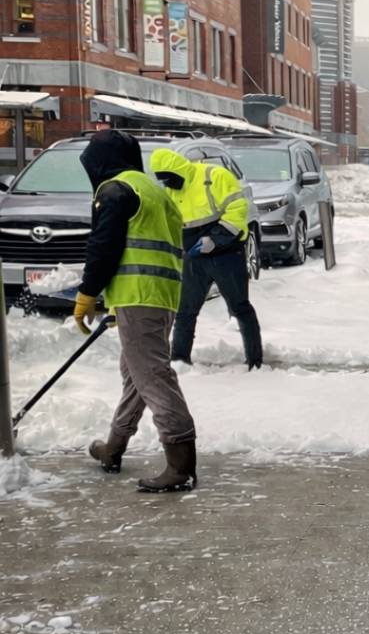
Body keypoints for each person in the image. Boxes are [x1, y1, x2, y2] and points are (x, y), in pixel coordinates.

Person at [73, 128, 198, 491]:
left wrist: (87, 293)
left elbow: (104, 245)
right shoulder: (153, 190)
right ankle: (114, 447)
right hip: (159, 296)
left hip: (138, 295)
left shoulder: (115, 191)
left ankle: (181, 464)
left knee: (153, 377)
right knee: (136, 376)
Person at [149, 149, 263, 371]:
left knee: (240, 307)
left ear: (178, 170)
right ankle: (179, 360)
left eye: (169, 178)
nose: (168, 183)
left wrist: (215, 239)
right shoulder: (171, 190)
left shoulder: (215, 177)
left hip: (227, 254)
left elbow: (238, 210)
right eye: (163, 180)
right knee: (185, 310)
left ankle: (255, 361)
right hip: (194, 257)